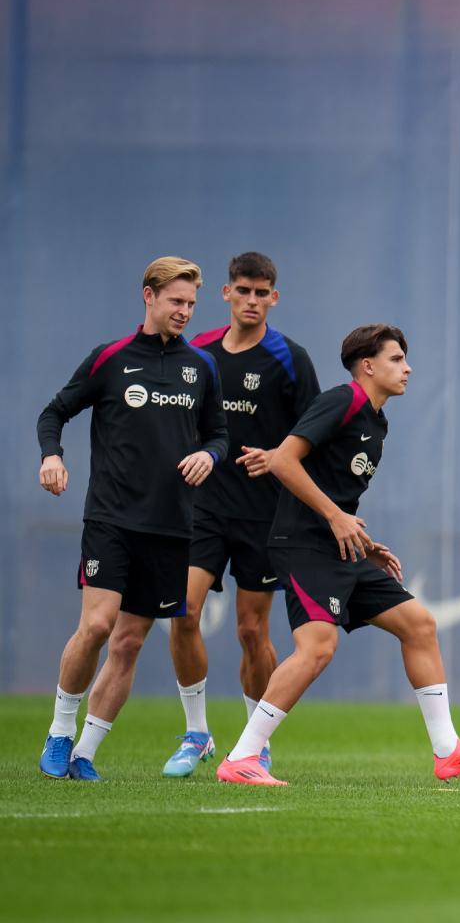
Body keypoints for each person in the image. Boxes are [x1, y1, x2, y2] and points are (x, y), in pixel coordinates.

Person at [216, 325, 460, 786]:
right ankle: (242, 758)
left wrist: (361, 541)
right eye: (397, 359)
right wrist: (336, 517)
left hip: (341, 548)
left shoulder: (376, 419)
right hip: (304, 544)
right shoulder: (344, 399)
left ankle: (448, 751)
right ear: (368, 366)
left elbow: (326, 482)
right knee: (317, 649)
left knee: (419, 625)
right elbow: (284, 461)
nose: (408, 368)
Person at [37, 257, 229, 781]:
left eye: (191, 304)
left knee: (128, 643)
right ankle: (58, 734)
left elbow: (218, 434)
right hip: (111, 518)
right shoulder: (111, 359)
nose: (185, 312)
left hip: (170, 526)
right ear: (148, 296)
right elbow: (54, 412)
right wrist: (52, 455)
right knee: (97, 626)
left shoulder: (200, 367)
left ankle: (84, 754)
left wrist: (210, 455)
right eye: (176, 302)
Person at [160, 252, 320, 778]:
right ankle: (197, 733)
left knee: (253, 631)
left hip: (264, 515)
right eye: (242, 291)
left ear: (275, 298)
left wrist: (276, 459)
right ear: (226, 294)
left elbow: (315, 437)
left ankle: (255, 745)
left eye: (261, 293)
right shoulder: (197, 351)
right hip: (202, 508)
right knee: (182, 612)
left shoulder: (290, 359)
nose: (251, 301)